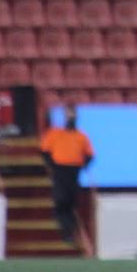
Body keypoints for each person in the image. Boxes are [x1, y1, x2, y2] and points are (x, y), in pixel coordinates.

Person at [40, 103, 93, 245]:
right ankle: (66, 232)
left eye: (73, 114)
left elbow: (89, 155)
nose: (71, 117)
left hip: (74, 171)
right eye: (69, 114)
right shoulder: (54, 134)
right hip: (60, 170)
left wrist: (82, 166)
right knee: (61, 201)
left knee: (71, 202)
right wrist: (53, 166)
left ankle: (71, 231)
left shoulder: (81, 136)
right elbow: (45, 152)